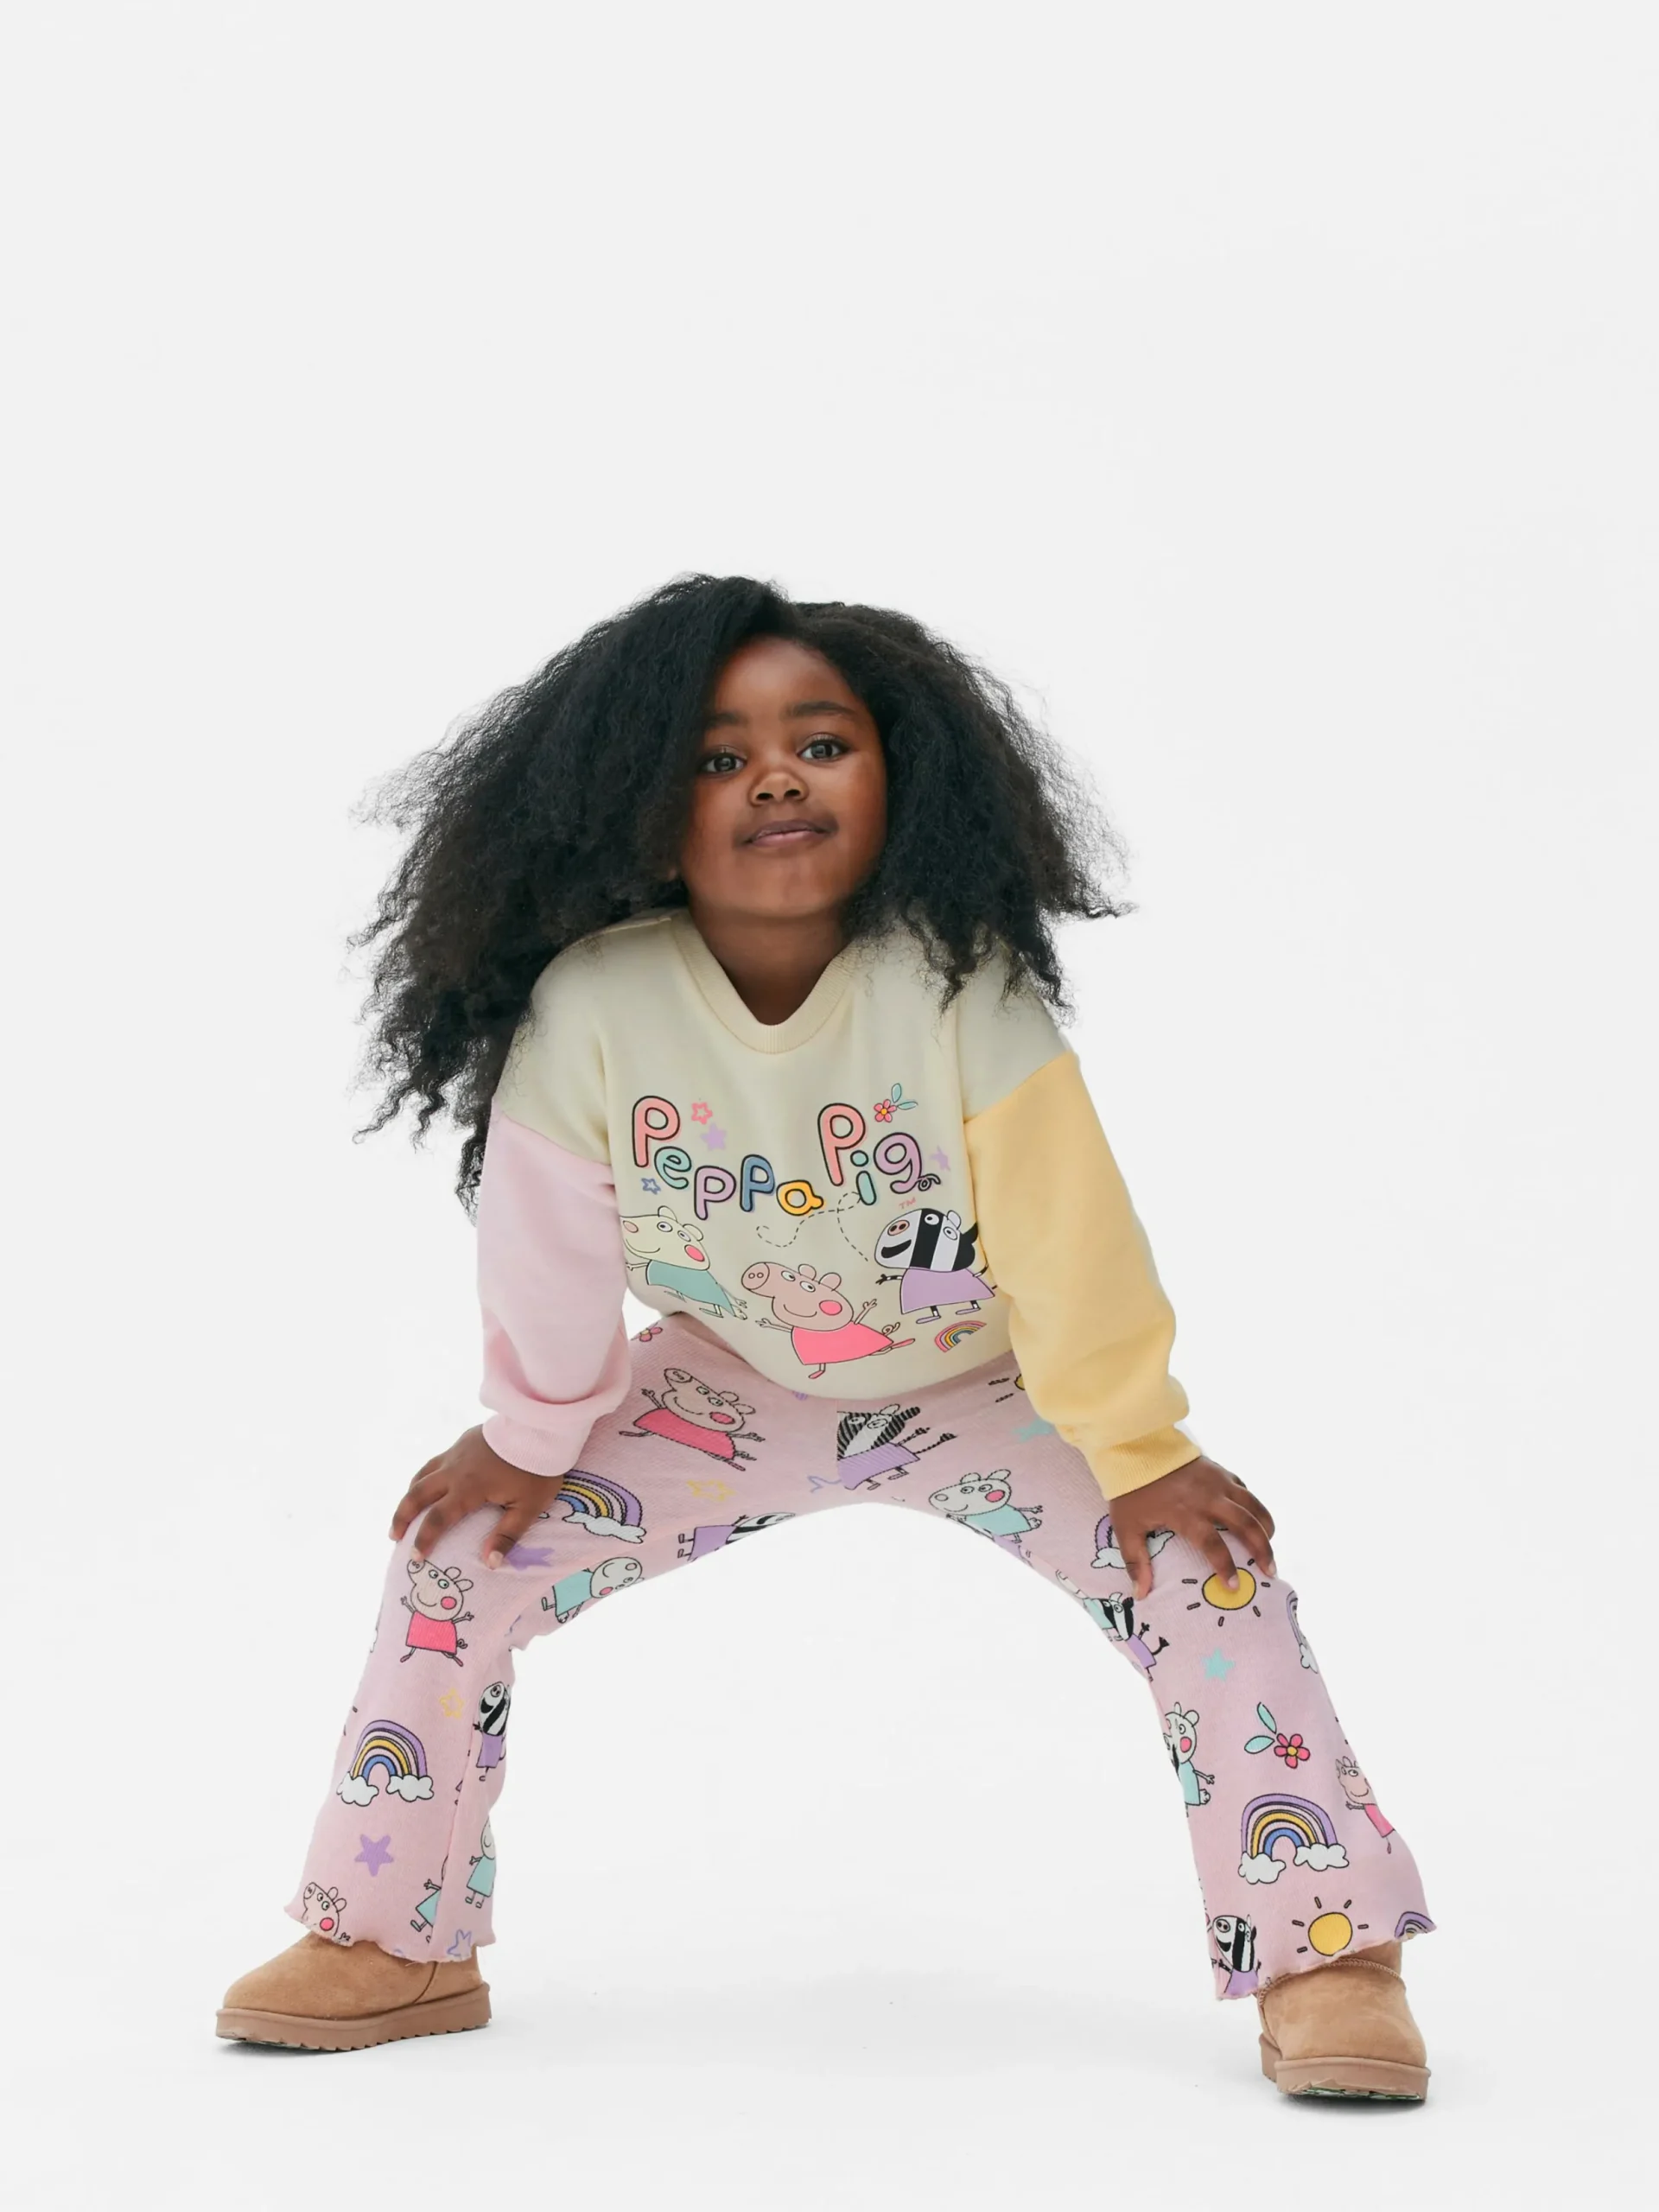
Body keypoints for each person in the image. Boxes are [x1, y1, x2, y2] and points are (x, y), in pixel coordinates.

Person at [216, 574, 1435, 2097]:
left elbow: (1067, 1235)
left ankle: (1328, 1949)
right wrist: (529, 1438)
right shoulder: (595, 1004)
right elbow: (547, 1249)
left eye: (821, 744)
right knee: (453, 1559)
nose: (775, 779)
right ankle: (394, 1936)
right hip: (727, 1387)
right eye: (718, 758)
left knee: (1211, 1573)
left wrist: (1136, 1450)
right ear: (636, 803)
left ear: (902, 779)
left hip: (988, 1385)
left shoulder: (956, 988)